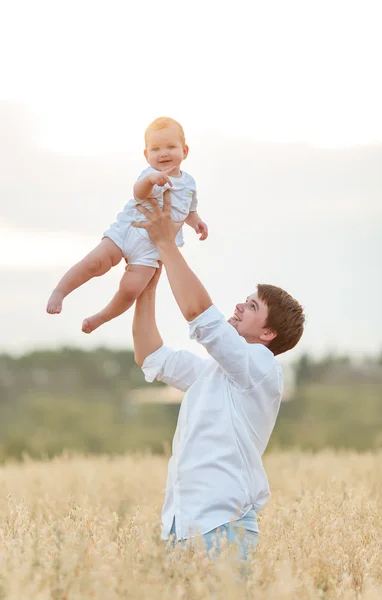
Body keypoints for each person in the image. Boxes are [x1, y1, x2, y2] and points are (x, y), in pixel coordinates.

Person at [132, 191, 305, 560]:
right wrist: (147, 282)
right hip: (179, 529)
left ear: (268, 334)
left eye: (253, 306)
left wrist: (165, 242)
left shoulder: (261, 367)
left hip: (222, 529)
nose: (240, 305)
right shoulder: (215, 373)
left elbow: (202, 317)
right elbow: (150, 356)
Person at [46, 117, 208, 334]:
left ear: (185, 150)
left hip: (153, 249)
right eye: (156, 148)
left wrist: (196, 222)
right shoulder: (148, 175)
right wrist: (152, 180)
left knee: (132, 289)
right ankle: (60, 290)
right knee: (95, 263)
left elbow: (189, 210)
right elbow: (138, 192)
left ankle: (101, 318)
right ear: (146, 155)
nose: (164, 153)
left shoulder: (189, 183)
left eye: (171, 146)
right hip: (129, 230)